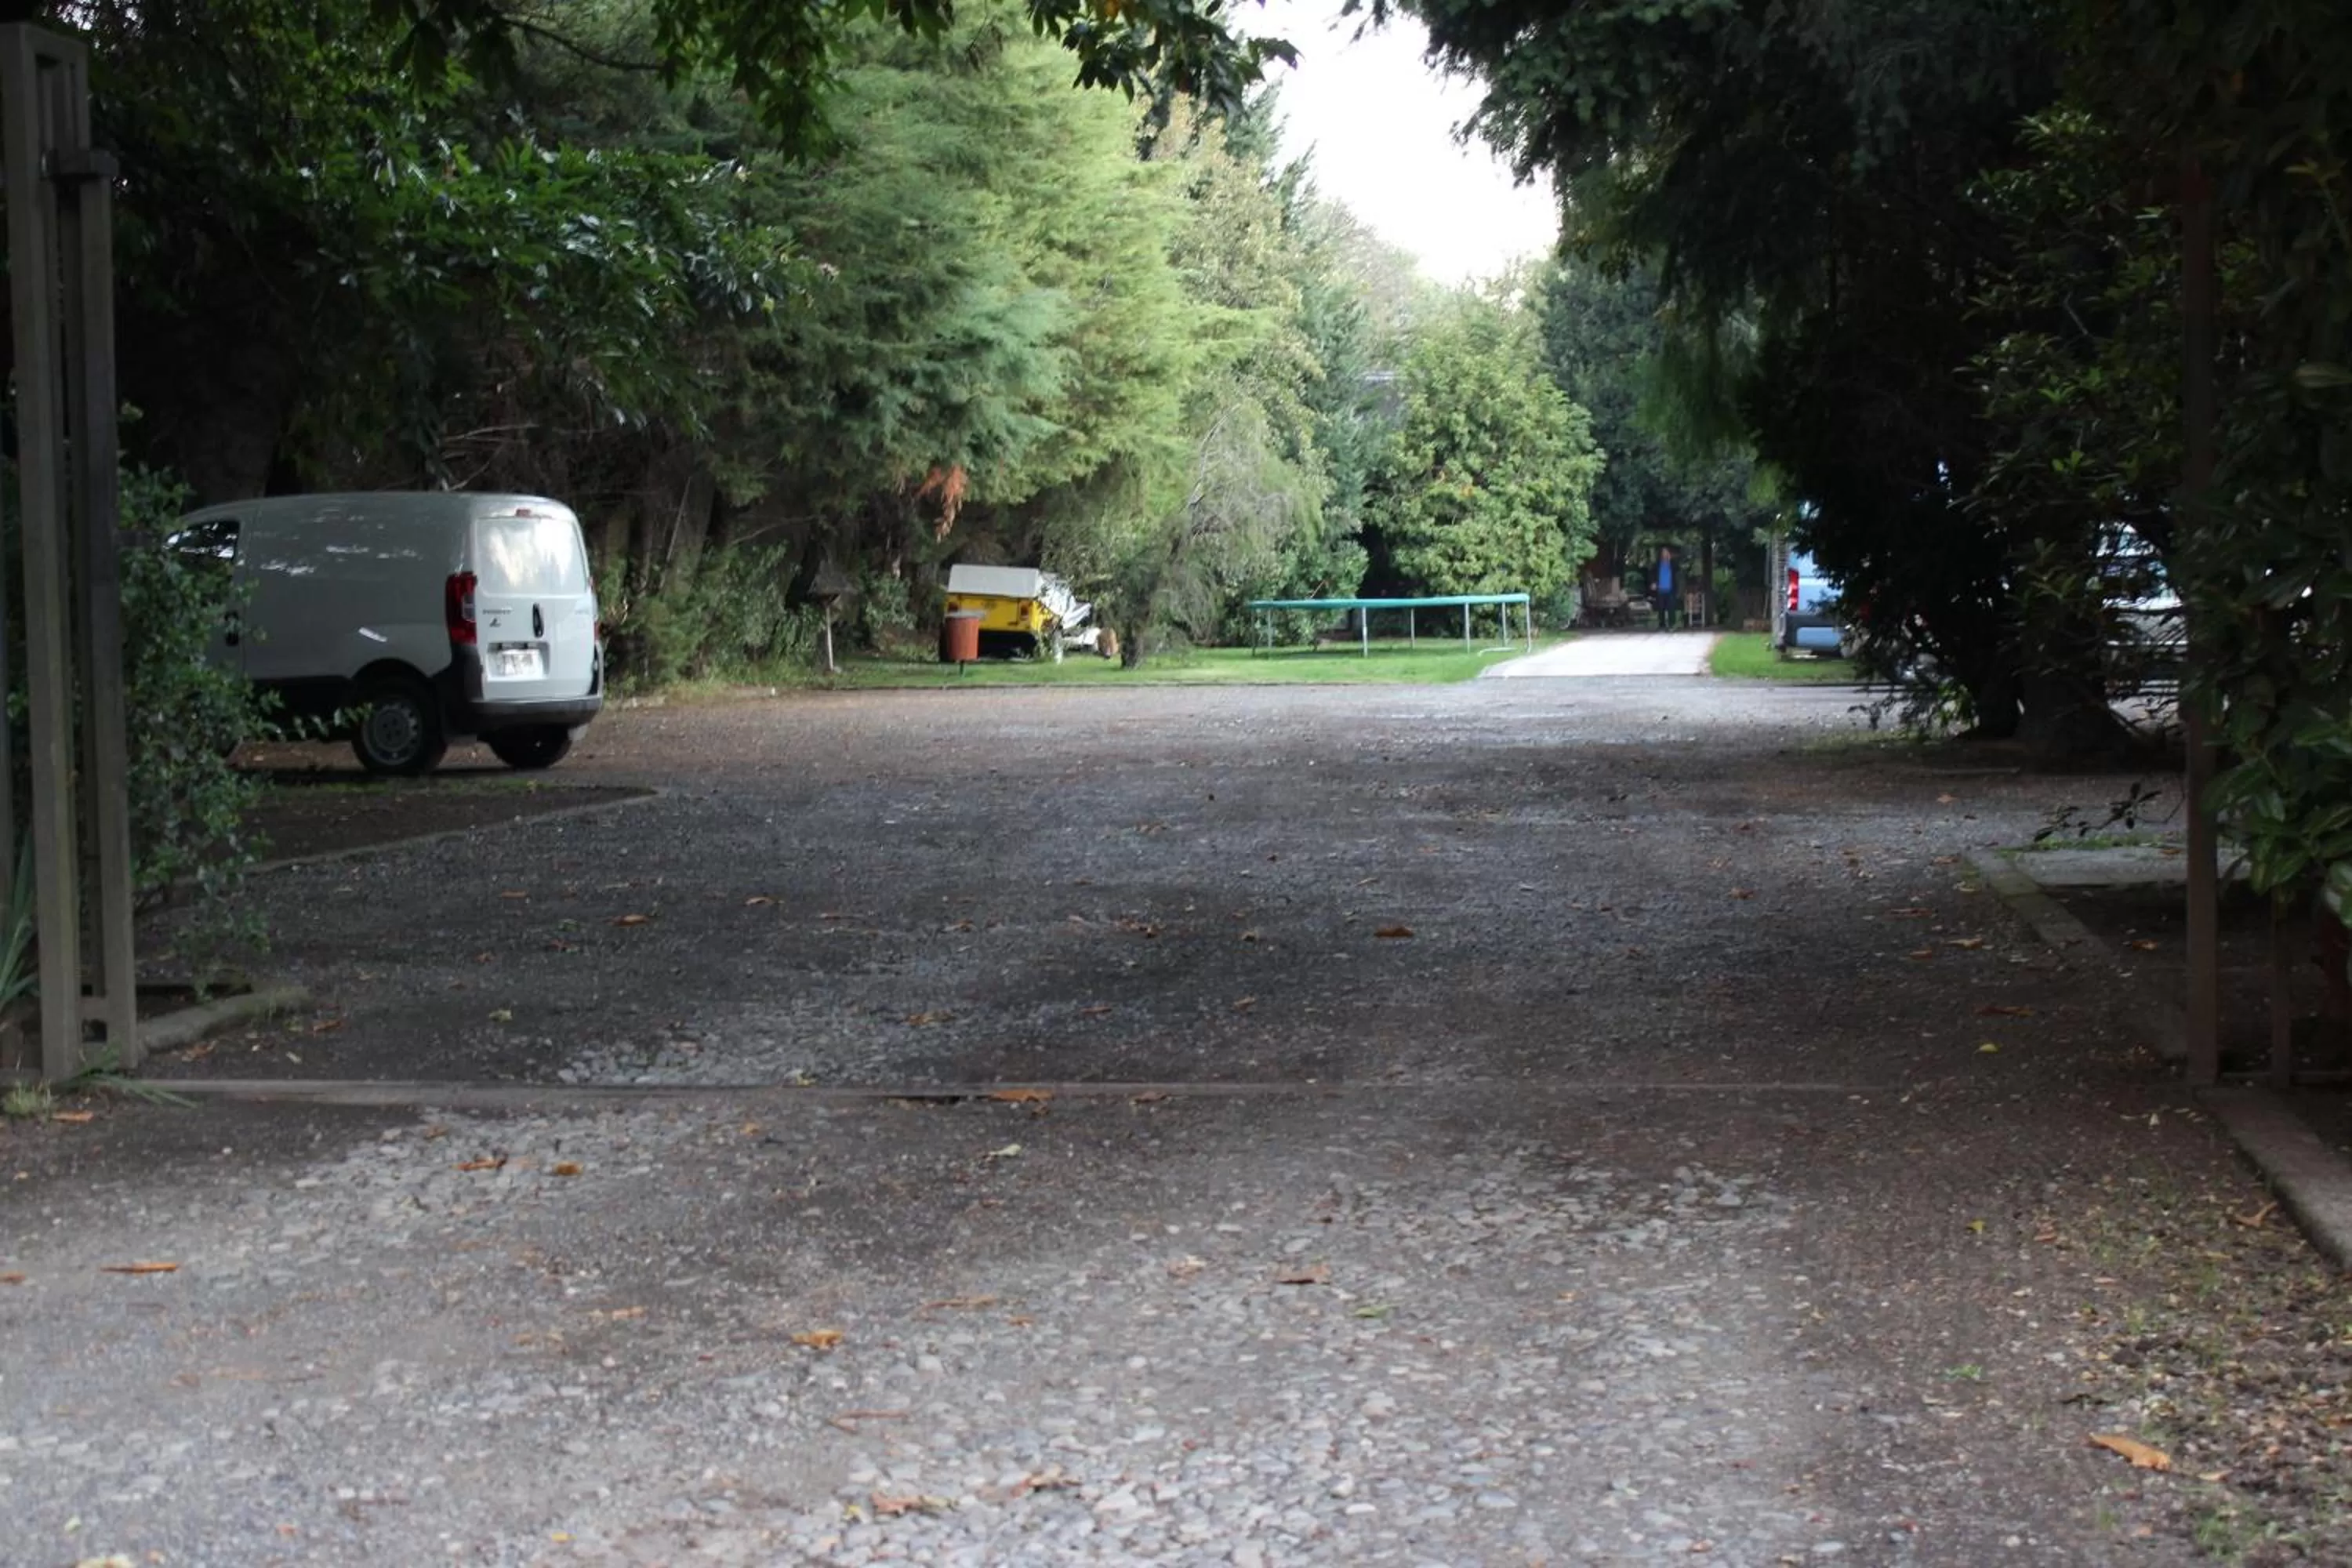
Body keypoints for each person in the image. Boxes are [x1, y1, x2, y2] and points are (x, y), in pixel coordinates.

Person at [1653, 546, 1677, 630]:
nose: (1665, 554)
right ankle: (1662, 625)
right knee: (1661, 608)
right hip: (1661, 589)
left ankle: (1671, 624)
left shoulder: (1673, 564)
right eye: (1663, 552)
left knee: (1671, 608)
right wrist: (1654, 583)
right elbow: (1653, 574)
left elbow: (1677, 571)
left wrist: (1671, 560)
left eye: (1666, 552)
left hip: (1670, 589)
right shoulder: (1658, 564)